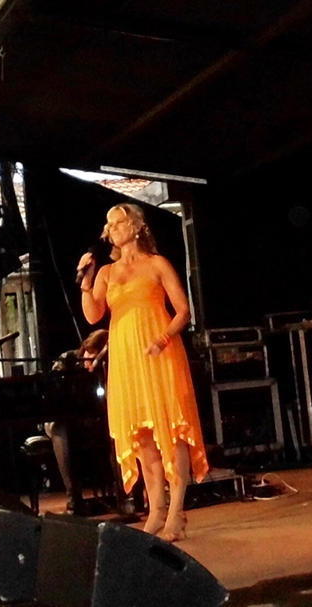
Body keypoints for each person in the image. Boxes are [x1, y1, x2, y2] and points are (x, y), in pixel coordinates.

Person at [77, 203, 208, 541]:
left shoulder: (157, 264)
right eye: (109, 225)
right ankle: (156, 509)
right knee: (143, 437)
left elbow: (183, 311)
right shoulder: (107, 273)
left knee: (171, 431)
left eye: (118, 222)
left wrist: (163, 339)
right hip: (126, 359)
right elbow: (93, 315)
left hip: (160, 353)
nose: (112, 229)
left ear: (135, 226)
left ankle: (176, 512)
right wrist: (86, 283)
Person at [46, 329, 109, 513]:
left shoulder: (107, 365)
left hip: (91, 419)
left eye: (95, 356)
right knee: (60, 430)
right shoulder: (67, 359)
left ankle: (125, 493)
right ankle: (74, 498)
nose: (89, 359)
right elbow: (53, 394)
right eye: (89, 353)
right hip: (62, 419)